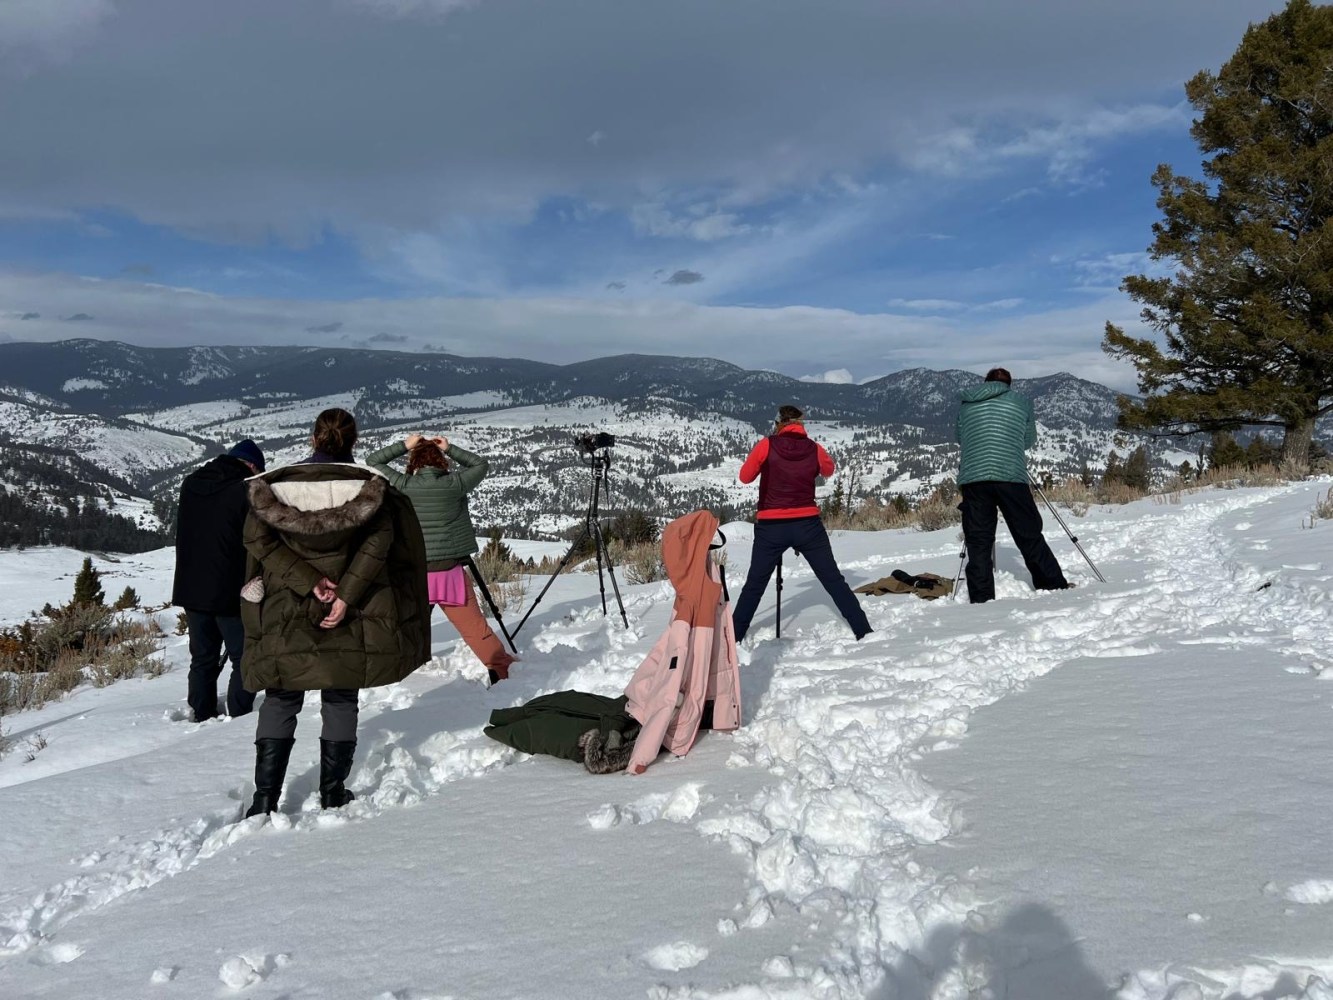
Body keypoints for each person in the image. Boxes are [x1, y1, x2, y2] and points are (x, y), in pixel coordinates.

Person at [239, 408, 429, 818]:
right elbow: (379, 546)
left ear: (313, 438)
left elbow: (258, 542)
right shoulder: (371, 491)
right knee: (341, 695)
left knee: (280, 695)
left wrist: (307, 580)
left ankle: (264, 799)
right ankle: (332, 791)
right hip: (353, 610)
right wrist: (345, 594)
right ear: (353, 440)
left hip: (285, 606)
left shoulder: (273, 490)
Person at [366, 433, 516, 685]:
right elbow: (481, 465)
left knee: (405, 626)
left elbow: (373, 461)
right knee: (475, 630)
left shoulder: (404, 485)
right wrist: (450, 448)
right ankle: (501, 670)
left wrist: (405, 446)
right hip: (450, 572)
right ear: (442, 463)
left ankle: (388, 674)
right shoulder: (454, 484)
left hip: (413, 574)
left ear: (414, 464)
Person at [730, 405, 871, 643]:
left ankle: (733, 638)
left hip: (771, 526)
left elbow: (745, 477)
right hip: (808, 525)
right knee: (832, 579)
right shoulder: (814, 448)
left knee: (755, 585)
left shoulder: (767, 445)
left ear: (778, 423)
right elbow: (829, 470)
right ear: (800, 424)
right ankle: (862, 629)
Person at [955, 368, 1069, 603]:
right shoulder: (1021, 402)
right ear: (1009, 385)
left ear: (986, 382)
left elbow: (960, 437)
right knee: (1028, 533)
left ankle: (981, 597)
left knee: (978, 539)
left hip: (974, 477)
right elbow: (1029, 439)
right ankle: (1051, 584)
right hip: (1011, 475)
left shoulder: (967, 403)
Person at [171, 439, 265, 722]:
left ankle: (201, 713)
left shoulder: (191, 484)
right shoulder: (245, 491)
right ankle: (239, 715)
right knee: (244, 657)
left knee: (202, 658)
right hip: (228, 589)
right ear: (250, 466)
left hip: (191, 586)